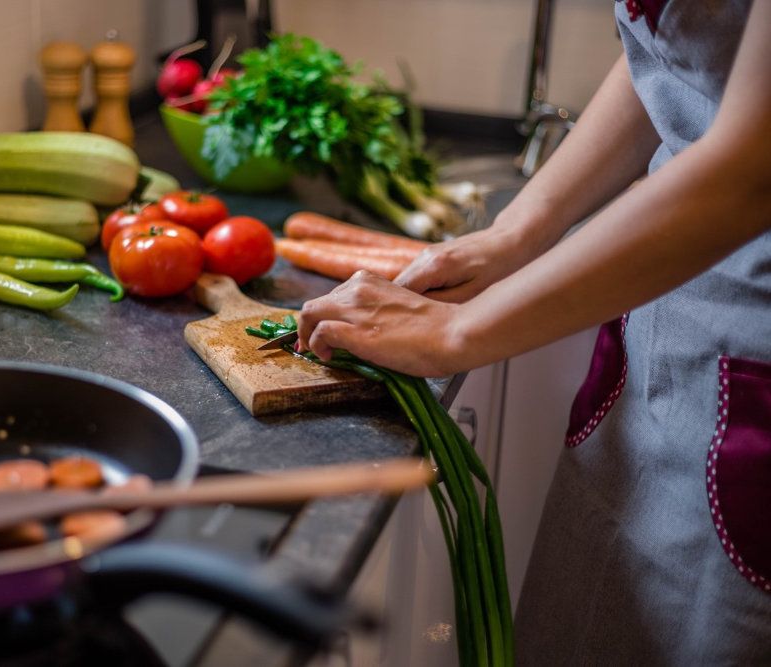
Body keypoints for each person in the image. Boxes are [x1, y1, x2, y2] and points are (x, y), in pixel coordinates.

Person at [296, 0, 770, 663]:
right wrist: (511, 236)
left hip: (755, 360)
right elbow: (670, 58)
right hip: (665, 326)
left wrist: (460, 330)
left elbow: (749, 172)